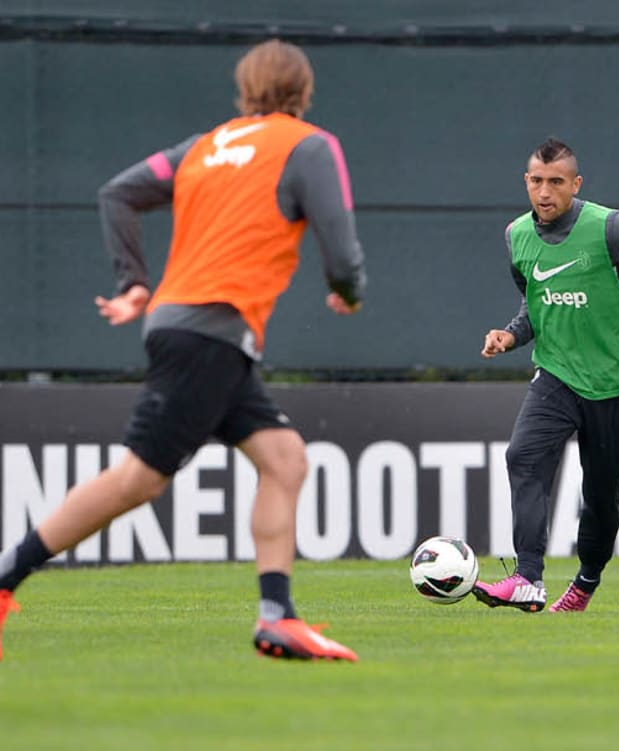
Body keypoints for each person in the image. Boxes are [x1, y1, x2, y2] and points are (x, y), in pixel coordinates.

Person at [0, 39, 366, 662]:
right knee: (136, 481)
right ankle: (5, 580)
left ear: (244, 90)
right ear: (303, 93)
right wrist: (347, 290)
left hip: (191, 325)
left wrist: (132, 282)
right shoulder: (307, 145)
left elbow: (118, 192)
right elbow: (342, 250)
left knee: (284, 459)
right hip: (209, 331)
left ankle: (277, 616)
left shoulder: (203, 147)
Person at [473, 136, 619, 614]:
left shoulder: (610, 228)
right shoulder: (517, 235)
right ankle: (527, 579)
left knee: (600, 496)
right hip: (557, 374)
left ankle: (585, 582)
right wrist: (512, 336)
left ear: (575, 184)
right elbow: (537, 304)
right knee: (523, 456)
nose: (545, 192)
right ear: (526, 182)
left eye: (556, 182)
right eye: (536, 181)